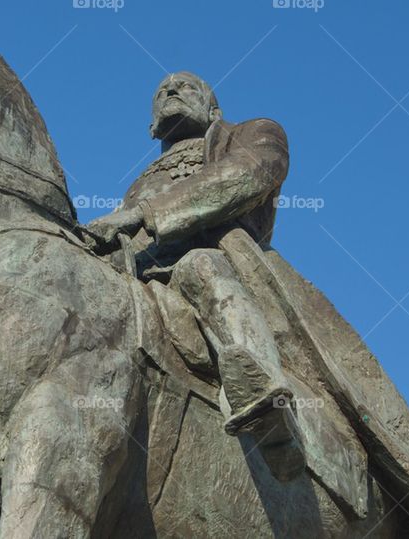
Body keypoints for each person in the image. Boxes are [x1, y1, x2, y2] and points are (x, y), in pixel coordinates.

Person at [85, 72, 301, 462]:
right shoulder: (138, 181)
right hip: (139, 274)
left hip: (215, 261)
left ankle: (267, 402)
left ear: (213, 109)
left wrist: (145, 214)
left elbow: (246, 175)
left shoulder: (254, 133)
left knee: (201, 266)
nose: (169, 90)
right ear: (151, 127)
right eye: (161, 91)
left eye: (186, 87)